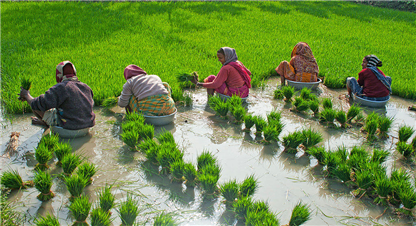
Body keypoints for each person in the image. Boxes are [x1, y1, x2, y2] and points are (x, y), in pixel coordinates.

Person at [19, 61, 95, 130]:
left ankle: (45, 123)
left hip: (69, 128)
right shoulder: (86, 87)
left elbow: (38, 104)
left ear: (59, 74)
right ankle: (45, 122)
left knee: (37, 106)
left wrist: (26, 95)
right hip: (87, 127)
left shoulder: (61, 88)